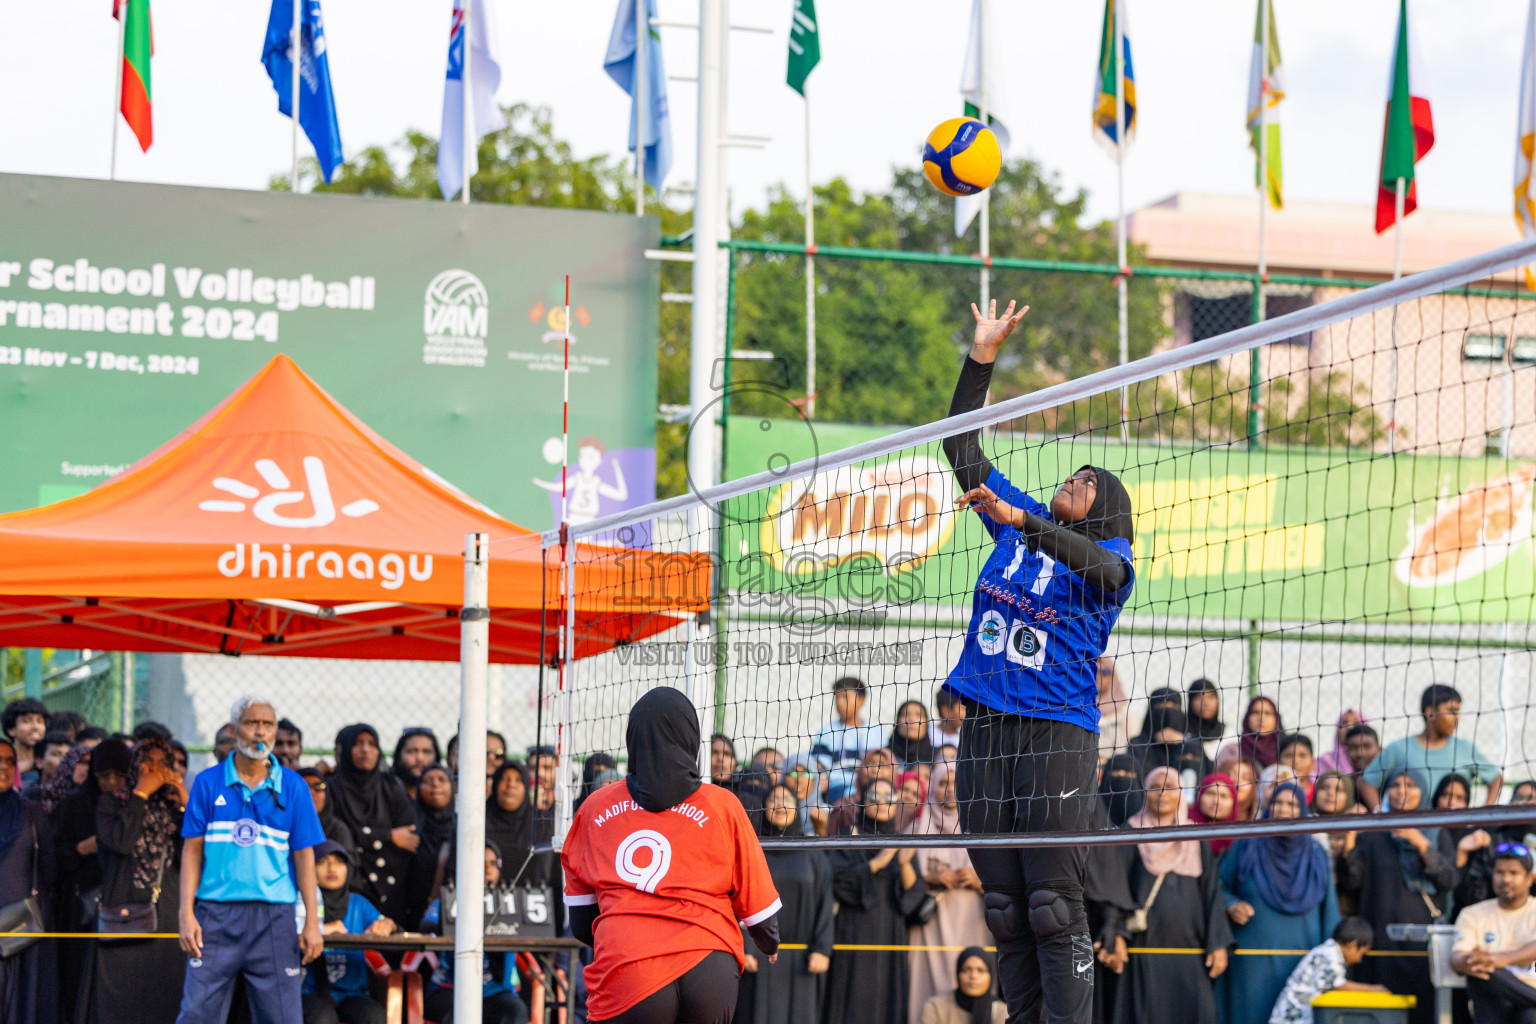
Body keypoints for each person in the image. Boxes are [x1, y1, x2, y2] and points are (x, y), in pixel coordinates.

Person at [940, 298, 1137, 1024]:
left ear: (1106, 508)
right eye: (1074, 473)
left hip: (1056, 731)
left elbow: (1107, 577)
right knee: (1005, 909)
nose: (1075, 479)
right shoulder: (1019, 526)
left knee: (1054, 906)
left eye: (1090, 480)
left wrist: (1027, 521)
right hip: (986, 727)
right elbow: (960, 445)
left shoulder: (1106, 557)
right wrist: (981, 357)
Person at [562, 687, 781, 1024]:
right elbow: (760, 909)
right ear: (691, 737)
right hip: (709, 961)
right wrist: (769, 943)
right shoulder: (723, 805)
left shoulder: (595, 807)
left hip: (629, 965)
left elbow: (581, 921)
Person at [175, 693, 325, 1024]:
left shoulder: (295, 787)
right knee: (196, 1015)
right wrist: (186, 913)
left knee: (283, 1018)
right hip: (214, 916)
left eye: (267, 724)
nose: (260, 732)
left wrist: (312, 922)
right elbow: (191, 852)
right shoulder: (207, 782)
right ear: (234, 729)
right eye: (251, 723)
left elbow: (304, 857)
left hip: (275, 919)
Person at [1115, 766, 1232, 1024]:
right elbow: (1118, 890)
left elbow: (1211, 893)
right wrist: (1117, 935)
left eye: (1169, 787)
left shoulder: (1195, 837)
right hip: (1143, 951)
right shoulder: (1130, 833)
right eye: (1155, 787)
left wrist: (1218, 944)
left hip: (1190, 953)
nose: (1162, 794)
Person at [1342, 769, 1460, 1024]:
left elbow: (1449, 880)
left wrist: (1420, 843)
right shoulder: (1373, 833)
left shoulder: (1435, 832)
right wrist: (1351, 835)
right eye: (1395, 785)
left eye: (1410, 785)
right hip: (1380, 941)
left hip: (1421, 945)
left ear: (1423, 791)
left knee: (1422, 1009)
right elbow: (1353, 881)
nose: (1402, 791)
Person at [1219, 781, 1340, 1024]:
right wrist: (1231, 904)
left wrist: (1332, 964)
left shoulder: (1316, 853)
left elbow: (1330, 914)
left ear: (1303, 811)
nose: (1283, 809)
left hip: (1302, 965)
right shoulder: (1246, 845)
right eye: (1278, 803)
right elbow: (1218, 887)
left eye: (1292, 804)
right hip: (1251, 964)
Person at [89, 736, 188, 1024]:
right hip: (124, 912)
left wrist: (184, 800)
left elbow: (195, 856)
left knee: (166, 994)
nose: (155, 769)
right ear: (135, 764)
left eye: (163, 763)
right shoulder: (112, 803)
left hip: (167, 913)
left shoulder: (174, 811)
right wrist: (140, 795)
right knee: (120, 999)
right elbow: (120, 842)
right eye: (148, 761)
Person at [825, 776, 927, 1024]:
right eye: (874, 798)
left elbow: (913, 900)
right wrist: (877, 863)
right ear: (862, 802)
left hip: (890, 934)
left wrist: (903, 865)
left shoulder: (901, 841)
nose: (881, 803)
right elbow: (838, 883)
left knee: (887, 1002)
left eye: (888, 798)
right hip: (852, 931)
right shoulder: (846, 837)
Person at [736, 784, 833, 1024]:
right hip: (756, 959)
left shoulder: (813, 853)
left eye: (787, 799)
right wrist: (745, 947)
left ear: (797, 807)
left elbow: (825, 902)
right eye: (773, 800)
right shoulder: (750, 851)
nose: (780, 805)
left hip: (802, 961)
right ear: (763, 807)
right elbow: (738, 899)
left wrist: (822, 949)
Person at [911, 762, 991, 1022]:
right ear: (933, 787)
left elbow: (1006, 878)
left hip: (973, 919)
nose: (950, 789)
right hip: (930, 923)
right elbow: (899, 876)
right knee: (926, 982)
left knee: (972, 974)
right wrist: (930, 877)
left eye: (957, 783)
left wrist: (980, 881)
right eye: (943, 783)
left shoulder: (984, 826)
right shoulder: (917, 827)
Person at [420, 842, 530, 1024]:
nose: (488, 870)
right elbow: (426, 926)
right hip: (449, 989)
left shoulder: (512, 903)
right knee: (459, 1016)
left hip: (496, 991)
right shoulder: (448, 901)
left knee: (515, 1013)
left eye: (493, 864)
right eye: (481, 863)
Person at [1360, 685, 1503, 811]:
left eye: (1458, 712)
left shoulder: (1465, 748)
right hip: (1410, 829)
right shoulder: (1399, 748)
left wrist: (1484, 815)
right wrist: (1380, 815)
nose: (1457, 718)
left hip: (1452, 831)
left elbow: (1496, 778)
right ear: (1430, 713)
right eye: (1451, 711)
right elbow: (1366, 783)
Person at [302, 839, 398, 1024]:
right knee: (322, 1018)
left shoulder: (358, 904)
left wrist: (387, 924)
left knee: (375, 1017)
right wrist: (322, 930)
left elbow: (391, 926)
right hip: (308, 992)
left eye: (339, 862)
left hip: (351, 994)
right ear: (309, 869)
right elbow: (286, 935)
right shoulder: (300, 900)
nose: (332, 868)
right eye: (322, 862)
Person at [327, 724, 417, 915]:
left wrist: (362, 840)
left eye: (372, 744)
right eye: (358, 744)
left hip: (392, 885)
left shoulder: (391, 786)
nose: (365, 749)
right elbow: (338, 836)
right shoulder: (331, 789)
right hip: (348, 884)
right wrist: (388, 836)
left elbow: (409, 838)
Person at [0, 738, 58, 1024]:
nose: (4, 767)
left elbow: (50, 869)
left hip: (21, 929)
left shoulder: (31, 812)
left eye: (10, 761)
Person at [1451, 842, 1536, 1024]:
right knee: (1482, 973)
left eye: (1513, 873)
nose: (1505, 879)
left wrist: (1504, 959)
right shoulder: (1472, 914)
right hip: (1492, 1001)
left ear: (1529, 878)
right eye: (1499, 873)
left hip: (1528, 1004)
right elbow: (1456, 957)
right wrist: (1468, 961)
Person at [1269, 917, 1385, 1024]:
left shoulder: (1331, 953)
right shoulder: (1329, 954)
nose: (1359, 960)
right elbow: (1339, 985)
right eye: (1362, 954)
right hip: (1291, 1018)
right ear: (1353, 945)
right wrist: (1373, 989)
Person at [810, 677, 887, 803]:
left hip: (870, 787)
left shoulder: (877, 732)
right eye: (837, 698)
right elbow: (820, 766)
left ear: (861, 700)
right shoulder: (826, 730)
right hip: (836, 788)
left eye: (845, 697)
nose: (839, 703)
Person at [403, 762, 455, 930]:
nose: (435, 784)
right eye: (428, 780)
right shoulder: (407, 825)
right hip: (409, 912)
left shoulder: (464, 827)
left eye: (442, 779)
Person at [826, 748, 910, 836]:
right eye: (870, 764)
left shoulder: (903, 811)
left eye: (883, 765)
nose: (875, 770)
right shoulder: (843, 807)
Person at [918, 948, 1008, 1024]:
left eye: (980, 970)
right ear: (958, 974)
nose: (973, 976)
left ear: (991, 975)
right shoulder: (936, 1007)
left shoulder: (1001, 1011)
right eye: (967, 970)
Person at [298, 767, 356, 853]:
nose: (311, 792)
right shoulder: (283, 825)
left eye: (318, 786)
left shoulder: (337, 829)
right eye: (303, 786)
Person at [2, 698, 49, 786]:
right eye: (26, 721)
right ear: (11, 729)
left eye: (40, 721)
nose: (36, 727)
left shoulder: (50, 758)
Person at [1190, 773, 1240, 857]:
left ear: (1234, 802)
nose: (1216, 801)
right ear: (1200, 795)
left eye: (1223, 796)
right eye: (1210, 793)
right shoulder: (1183, 830)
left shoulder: (1239, 841)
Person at [1096, 657, 1133, 761]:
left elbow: (1134, 744)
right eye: (1094, 670)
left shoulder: (1124, 712)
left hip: (1115, 769)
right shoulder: (1078, 709)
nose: (1098, 676)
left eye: (1104, 672)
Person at [783, 753, 830, 836]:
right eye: (793, 773)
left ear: (816, 779)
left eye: (807, 773)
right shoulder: (775, 812)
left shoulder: (831, 813)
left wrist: (823, 829)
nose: (799, 780)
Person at [390, 728, 439, 802]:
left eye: (426, 752)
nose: (419, 758)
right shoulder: (385, 793)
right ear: (399, 756)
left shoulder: (444, 797)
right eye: (411, 751)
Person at [1315, 712, 1365, 778]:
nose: (1349, 727)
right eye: (1344, 723)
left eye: (1356, 723)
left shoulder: (1372, 761)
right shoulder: (1323, 762)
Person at [1239, 698, 1285, 769]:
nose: (1261, 718)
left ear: (1276, 718)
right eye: (1255, 712)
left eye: (1267, 713)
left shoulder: (1288, 752)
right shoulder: (1234, 752)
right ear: (1247, 717)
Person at [1186, 679, 1227, 758]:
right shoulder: (1182, 734)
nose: (1205, 703)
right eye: (1199, 697)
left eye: (1211, 697)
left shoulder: (1229, 735)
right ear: (1190, 701)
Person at [1099, 754, 1143, 827]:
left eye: (1128, 773)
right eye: (1115, 772)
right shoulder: (1094, 807)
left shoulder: (1149, 811)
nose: (1121, 775)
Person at [890, 701, 936, 769]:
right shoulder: (884, 755)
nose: (912, 719)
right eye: (906, 714)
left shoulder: (936, 756)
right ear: (897, 721)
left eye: (918, 715)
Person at [931, 688, 967, 753]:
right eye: (963, 709)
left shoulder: (967, 738)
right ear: (946, 711)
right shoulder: (928, 735)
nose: (967, 714)